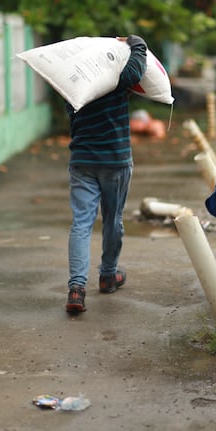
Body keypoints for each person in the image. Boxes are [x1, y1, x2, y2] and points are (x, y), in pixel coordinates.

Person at [65, 34, 148, 314]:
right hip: (115, 161)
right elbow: (137, 67)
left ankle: (76, 288)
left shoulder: (72, 86)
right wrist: (136, 42)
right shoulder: (116, 81)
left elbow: (70, 111)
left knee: (81, 224)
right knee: (112, 220)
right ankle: (108, 275)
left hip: (82, 161)